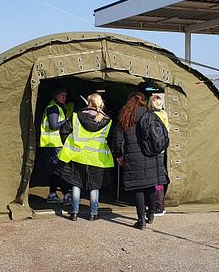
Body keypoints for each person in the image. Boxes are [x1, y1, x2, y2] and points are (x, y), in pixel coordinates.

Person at [113, 92, 169, 230]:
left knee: (138, 188)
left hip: (133, 157)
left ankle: (141, 220)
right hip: (151, 155)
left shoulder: (124, 118)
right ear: (143, 102)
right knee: (150, 186)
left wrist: (119, 154)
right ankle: (150, 215)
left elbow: (117, 139)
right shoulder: (151, 115)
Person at [55, 93, 114, 221]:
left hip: (77, 155)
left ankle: (74, 212)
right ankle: (93, 213)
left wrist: (68, 143)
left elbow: (64, 130)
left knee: (76, 183)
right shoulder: (107, 120)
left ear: (88, 103)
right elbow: (111, 139)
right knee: (94, 186)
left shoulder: (76, 116)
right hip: (97, 158)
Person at [38, 87, 72, 205]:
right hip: (52, 144)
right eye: (62, 95)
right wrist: (67, 121)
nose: (64, 98)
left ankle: (53, 194)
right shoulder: (53, 108)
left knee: (55, 170)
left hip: (53, 144)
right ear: (55, 96)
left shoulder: (57, 107)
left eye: (65, 95)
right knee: (61, 170)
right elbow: (53, 125)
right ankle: (66, 195)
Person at [148, 94, 169, 216]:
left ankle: (158, 206)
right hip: (162, 149)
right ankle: (159, 204)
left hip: (154, 150)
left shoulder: (153, 116)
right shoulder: (164, 115)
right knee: (159, 177)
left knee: (155, 179)